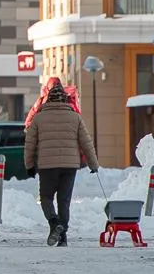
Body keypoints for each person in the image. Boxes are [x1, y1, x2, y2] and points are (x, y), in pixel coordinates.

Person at [23, 79, 100, 246]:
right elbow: (86, 142)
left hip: (47, 166)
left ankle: (54, 223)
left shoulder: (38, 118)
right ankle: (63, 237)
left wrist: (29, 165)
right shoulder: (75, 118)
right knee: (64, 201)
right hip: (69, 166)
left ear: (48, 99)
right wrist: (93, 164)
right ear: (65, 99)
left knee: (46, 198)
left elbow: (30, 145)